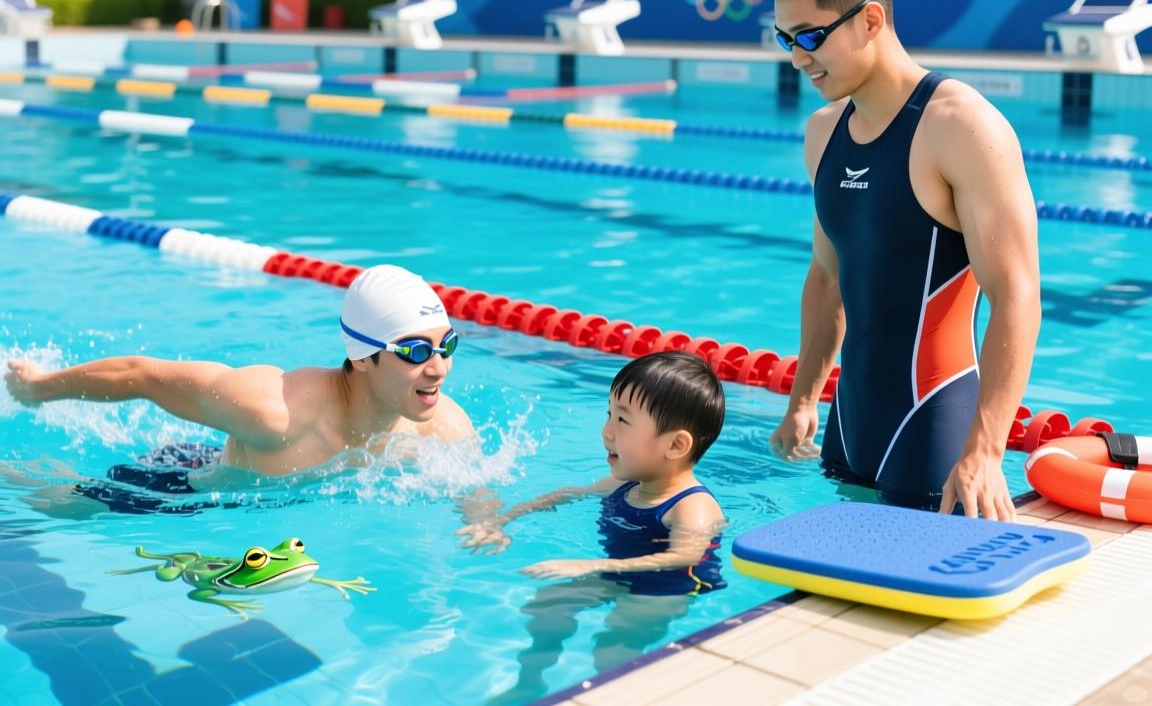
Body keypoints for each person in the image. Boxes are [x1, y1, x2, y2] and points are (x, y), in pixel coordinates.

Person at [758, 0, 1041, 520]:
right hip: (849, 422)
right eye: (785, 38)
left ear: (871, 20)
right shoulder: (823, 133)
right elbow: (828, 277)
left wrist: (985, 450)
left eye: (811, 36)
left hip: (935, 420)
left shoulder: (962, 128)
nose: (796, 57)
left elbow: (1015, 294)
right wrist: (804, 398)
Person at [4, 265, 473, 489]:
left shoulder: (442, 423)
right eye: (415, 351)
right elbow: (141, 375)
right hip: (182, 489)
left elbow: (480, 490)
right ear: (364, 356)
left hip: (267, 505)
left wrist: (484, 521)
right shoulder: (274, 411)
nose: (439, 367)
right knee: (54, 500)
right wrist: (37, 389)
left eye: (446, 345)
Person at [459, 351, 727, 703]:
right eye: (609, 415)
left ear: (675, 445)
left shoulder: (692, 507)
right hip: (619, 575)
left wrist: (591, 565)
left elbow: (683, 557)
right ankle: (529, 683)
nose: (606, 431)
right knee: (547, 604)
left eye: (623, 421)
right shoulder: (624, 485)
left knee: (611, 647)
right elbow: (562, 495)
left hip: (667, 589)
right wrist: (500, 521)